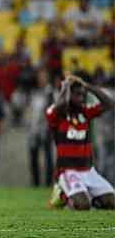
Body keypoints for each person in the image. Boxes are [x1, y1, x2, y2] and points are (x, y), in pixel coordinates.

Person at [47, 75, 114, 210]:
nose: (82, 98)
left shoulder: (85, 112)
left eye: (83, 95)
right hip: (67, 171)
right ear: (68, 95)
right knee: (83, 206)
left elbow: (109, 104)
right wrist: (65, 86)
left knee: (112, 203)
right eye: (77, 95)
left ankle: (89, 196)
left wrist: (88, 86)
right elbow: (62, 105)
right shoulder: (56, 114)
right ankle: (62, 194)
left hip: (88, 171)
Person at [28, 69, 54, 187]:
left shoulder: (50, 92)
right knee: (33, 157)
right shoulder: (33, 92)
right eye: (40, 76)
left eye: (43, 76)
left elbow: (52, 110)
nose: (41, 79)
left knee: (47, 156)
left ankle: (48, 182)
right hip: (33, 129)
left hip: (45, 129)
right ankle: (36, 182)